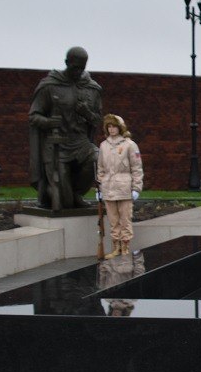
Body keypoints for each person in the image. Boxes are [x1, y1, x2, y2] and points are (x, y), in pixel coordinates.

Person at [28, 47, 103, 211]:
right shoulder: (50, 86)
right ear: (67, 63)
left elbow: (97, 120)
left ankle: (76, 192)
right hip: (57, 145)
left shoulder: (91, 88)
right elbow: (33, 116)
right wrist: (50, 122)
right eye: (75, 67)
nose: (78, 72)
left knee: (98, 157)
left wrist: (87, 113)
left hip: (81, 143)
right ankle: (55, 193)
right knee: (65, 204)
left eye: (82, 68)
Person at [96, 113, 143, 259]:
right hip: (109, 188)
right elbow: (100, 169)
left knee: (125, 219)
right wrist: (100, 188)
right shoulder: (103, 146)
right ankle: (116, 248)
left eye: (114, 126)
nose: (111, 129)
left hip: (124, 188)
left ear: (120, 127)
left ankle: (125, 247)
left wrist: (136, 188)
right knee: (113, 220)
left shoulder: (130, 144)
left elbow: (137, 168)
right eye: (109, 126)